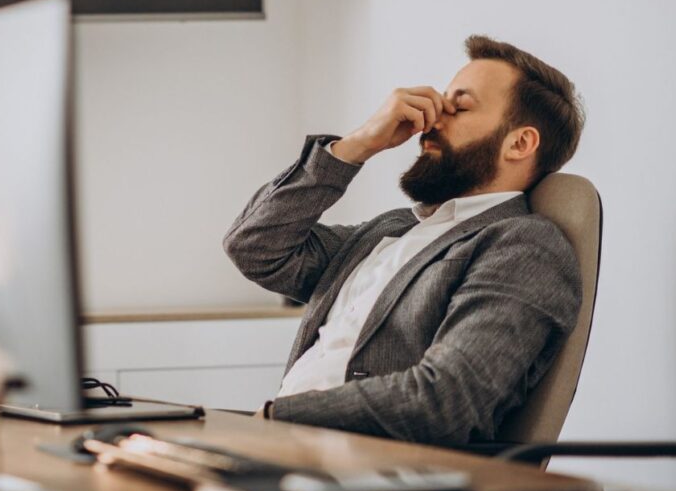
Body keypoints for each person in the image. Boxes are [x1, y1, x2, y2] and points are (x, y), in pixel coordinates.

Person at [223, 35, 585, 445]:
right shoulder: (388, 230)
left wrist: (280, 417)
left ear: (519, 142)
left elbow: (447, 400)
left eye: (459, 107)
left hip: (373, 473)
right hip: (287, 450)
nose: (431, 121)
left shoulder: (523, 247)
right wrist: (356, 145)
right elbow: (254, 246)